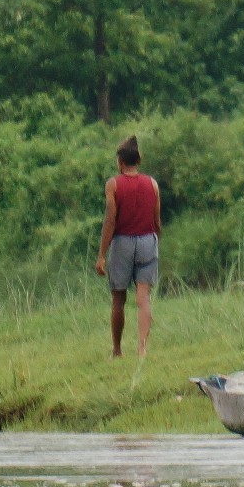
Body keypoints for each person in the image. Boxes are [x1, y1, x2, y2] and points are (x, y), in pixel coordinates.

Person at [94, 135, 161, 358]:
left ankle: (117, 350)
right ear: (138, 160)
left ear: (120, 161)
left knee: (118, 299)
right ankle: (142, 347)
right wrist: (154, 242)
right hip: (147, 240)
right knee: (144, 298)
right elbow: (157, 220)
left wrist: (102, 255)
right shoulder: (152, 184)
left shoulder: (113, 184)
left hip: (122, 242)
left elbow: (110, 219)